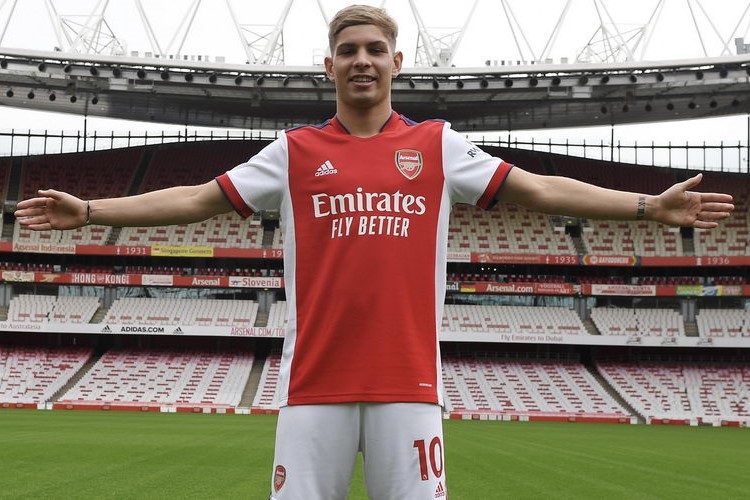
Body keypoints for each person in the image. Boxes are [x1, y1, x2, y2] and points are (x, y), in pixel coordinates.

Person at [14, 4, 734, 499]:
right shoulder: (294, 152)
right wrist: (92, 211)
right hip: (311, 388)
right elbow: (200, 198)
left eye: (375, 50)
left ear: (397, 62)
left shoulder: (438, 146)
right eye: (349, 51)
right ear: (329, 65)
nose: (362, 61)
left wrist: (650, 206)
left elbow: (540, 190)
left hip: (409, 388)